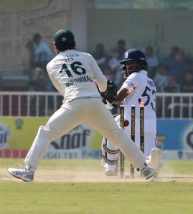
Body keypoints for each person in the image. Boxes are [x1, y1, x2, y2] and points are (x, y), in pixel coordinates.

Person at [7, 29, 156, 182]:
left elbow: (63, 91)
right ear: (75, 43)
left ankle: (29, 171)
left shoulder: (51, 65)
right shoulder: (87, 56)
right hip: (95, 103)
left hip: (73, 103)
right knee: (118, 135)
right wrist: (105, 95)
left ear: (55, 47)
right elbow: (103, 84)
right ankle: (145, 169)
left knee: (45, 134)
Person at [101, 48, 161, 176]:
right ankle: (152, 161)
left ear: (140, 65)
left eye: (131, 65)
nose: (128, 68)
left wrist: (111, 98)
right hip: (150, 126)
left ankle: (110, 165)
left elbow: (121, 96)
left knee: (109, 127)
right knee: (144, 162)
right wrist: (116, 101)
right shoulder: (151, 82)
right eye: (127, 65)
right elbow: (131, 99)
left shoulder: (135, 76)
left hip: (130, 121)